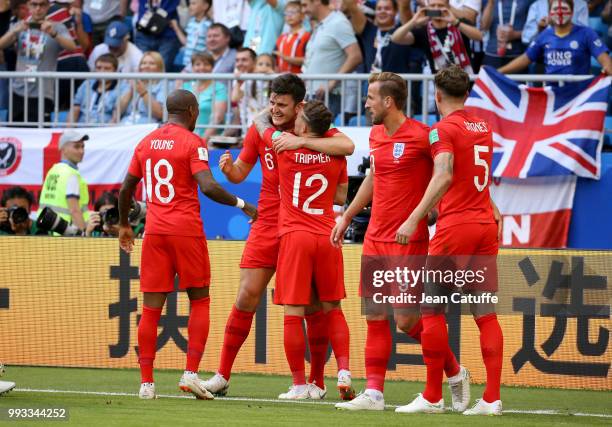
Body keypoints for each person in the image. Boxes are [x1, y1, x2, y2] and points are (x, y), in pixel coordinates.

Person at [201, 73, 355, 400]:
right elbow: (243, 170)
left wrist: (301, 141)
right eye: (271, 102)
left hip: (300, 225)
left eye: (282, 104)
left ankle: (315, 382)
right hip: (270, 222)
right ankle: (222, 375)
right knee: (247, 294)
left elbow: (347, 145)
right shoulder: (263, 132)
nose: (274, 109)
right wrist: (230, 172)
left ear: (299, 107)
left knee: (311, 306)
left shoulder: (314, 129)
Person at [333, 72, 466, 412]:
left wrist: (424, 214)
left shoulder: (424, 136)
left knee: (406, 321)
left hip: (408, 241)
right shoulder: (377, 135)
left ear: (388, 102)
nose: (366, 103)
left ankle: (452, 370)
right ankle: (374, 393)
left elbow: (448, 174)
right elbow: (373, 178)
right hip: (375, 237)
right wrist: (347, 216)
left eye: (370, 98)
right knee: (375, 315)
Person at [118, 89, 258, 400]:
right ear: (193, 111)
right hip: (185, 230)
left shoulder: (146, 142)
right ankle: (190, 374)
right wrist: (242, 204)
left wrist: (125, 224)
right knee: (200, 299)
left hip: (154, 231)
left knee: (152, 308)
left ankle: (146, 384)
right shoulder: (192, 143)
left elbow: (127, 186)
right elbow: (207, 185)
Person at [393, 65, 503, 415]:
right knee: (485, 315)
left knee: (431, 309)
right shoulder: (482, 126)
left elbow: (444, 173)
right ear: (467, 94)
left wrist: (414, 217)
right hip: (485, 225)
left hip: (456, 227)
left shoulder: (442, 129)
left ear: (437, 95)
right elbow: (475, 173)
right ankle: (492, 399)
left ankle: (431, 396)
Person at [251, 100, 352, 400]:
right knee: (332, 307)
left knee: (294, 312)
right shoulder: (336, 153)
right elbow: (341, 195)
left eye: (298, 119)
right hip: (327, 234)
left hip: (295, 236)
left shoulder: (284, 146)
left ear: (305, 126)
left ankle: (298, 385)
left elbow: (260, 125)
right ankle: (344, 371)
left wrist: (269, 110)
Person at [0, 0, 77, 123]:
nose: (38, 9)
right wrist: (14, 32)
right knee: (16, 135)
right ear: (28, 6)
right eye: (34, 5)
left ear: (47, 6)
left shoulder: (57, 27)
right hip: (18, 91)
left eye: (42, 5)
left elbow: (72, 47)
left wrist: (53, 33)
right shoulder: (20, 26)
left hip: (43, 93)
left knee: (39, 136)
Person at [499, 0, 611, 75]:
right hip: (553, 98)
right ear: (549, 13)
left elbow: (605, 61)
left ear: (572, 12)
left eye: (564, 9)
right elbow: (524, 59)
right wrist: (497, 72)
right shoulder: (544, 35)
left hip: (579, 98)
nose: (560, 13)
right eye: (556, 9)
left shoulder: (587, 34)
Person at [301, 0, 362, 117]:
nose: (303, 10)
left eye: (305, 5)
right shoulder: (321, 24)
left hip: (329, 95)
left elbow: (355, 56)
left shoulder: (338, 22)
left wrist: (331, 83)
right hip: (314, 94)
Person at [392, 0, 483, 73]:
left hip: (465, 81)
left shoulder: (458, 23)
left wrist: (455, 22)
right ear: (427, 8)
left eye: (440, 5)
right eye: (433, 6)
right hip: (441, 85)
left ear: (448, 7)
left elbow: (479, 36)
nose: (436, 9)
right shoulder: (424, 30)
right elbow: (395, 38)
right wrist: (413, 22)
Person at [39, 130, 90, 232]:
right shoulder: (71, 174)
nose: (81, 151)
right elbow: (74, 210)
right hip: (65, 234)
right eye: (76, 147)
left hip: (46, 231)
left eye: (82, 146)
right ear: (63, 149)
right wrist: (84, 236)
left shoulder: (53, 170)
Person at [344, 0, 414, 73]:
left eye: (387, 8)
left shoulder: (403, 32)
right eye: (379, 9)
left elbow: (405, 6)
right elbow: (350, 4)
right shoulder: (368, 31)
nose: (382, 11)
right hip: (372, 82)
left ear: (396, 11)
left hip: (396, 83)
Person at [182, 52, 228, 140]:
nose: (202, 67)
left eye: (206, 64)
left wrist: (203, 140)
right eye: (197, 64)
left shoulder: (219, 87)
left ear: (212, 67)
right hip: (187, 139)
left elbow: (218, 118)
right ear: (192, 67)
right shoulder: (185, 86)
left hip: (210, 139)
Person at [70, 53, 123, 125]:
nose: (102, 71)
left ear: (115, 70)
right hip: (82, 128)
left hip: (105, 130)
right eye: (98, 68)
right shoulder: (87, 83)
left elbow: (116, 115)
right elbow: (75, 108)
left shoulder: (122, 87)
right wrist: (68, 130)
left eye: (107, 68)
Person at [481, 0, 534, 69]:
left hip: (518, 56)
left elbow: (534, 30)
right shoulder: (488, 1)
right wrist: (491, 3)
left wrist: (515, 35)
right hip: (492, 54)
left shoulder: (527, 1)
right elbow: (484, 27)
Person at [118, 51, 168, 125]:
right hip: (125, 124)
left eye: (152, 63)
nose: (146, 66)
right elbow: (118, 112)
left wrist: (144, 93)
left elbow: (160, 114)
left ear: (159, 67)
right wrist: (131, 91)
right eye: (143, 63)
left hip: (147, 127)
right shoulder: (132, 81)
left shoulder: (163, 85)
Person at [133, 0, 181, 71]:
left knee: (162, 71)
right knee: (142, 69)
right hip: (144, 34)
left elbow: (164, 13)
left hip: (167, 36)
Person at [522, 0, 588, 44]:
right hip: (543, 56)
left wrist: (562, 24)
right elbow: (526, 40)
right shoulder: (536, 6)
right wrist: (540, 31)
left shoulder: (581, 5)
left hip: (573, 52)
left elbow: (584, 37)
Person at [172, 0, 212, 71]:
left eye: (193, 4)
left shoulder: (209, 24)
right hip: (187, 63)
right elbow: (187, 43)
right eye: (189, 4)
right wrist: (176, 28)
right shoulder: (191, 22)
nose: (190, 7)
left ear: (205, 6)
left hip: (200, 65)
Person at [273, 1, 310, 73]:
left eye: (293, 12)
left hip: (298, 80)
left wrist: (286, 58)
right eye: (286, 13)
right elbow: (275, 61)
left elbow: (308, 60)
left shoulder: (306, 36)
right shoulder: (281, 38)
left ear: (302, 16)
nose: (289, 16)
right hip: (282, 79)